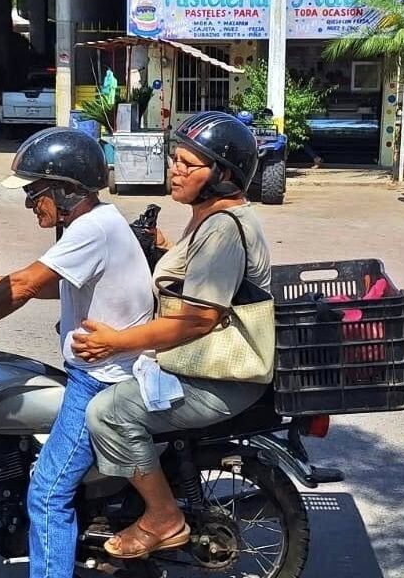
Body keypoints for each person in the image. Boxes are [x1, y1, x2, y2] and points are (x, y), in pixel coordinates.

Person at [72, 111, 272, 559]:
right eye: (174, 159)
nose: (174, 169)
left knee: (109, 411)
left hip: (221, 379)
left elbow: (198, 319)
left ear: (222, 175)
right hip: (201, 367)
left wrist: (116, 341)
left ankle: (163, 516)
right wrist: (165, 249)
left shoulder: (222, 229)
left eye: (188, 163)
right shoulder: (209, 219)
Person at [0, 127, 154, 578]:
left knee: (47, 494)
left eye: (35, 193)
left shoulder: (91, 229)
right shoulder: (96, 224)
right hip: (102, 369)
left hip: (101, 378)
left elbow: (27, 284)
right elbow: (38, 286)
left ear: (67, 190)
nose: (31, 203)